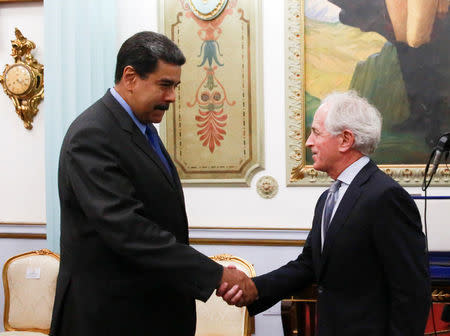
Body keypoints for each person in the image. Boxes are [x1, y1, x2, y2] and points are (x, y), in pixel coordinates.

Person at [49, 31, 256, 336]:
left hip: (148, 312)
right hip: (110, 317)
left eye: (175, 86)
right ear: (130, 77)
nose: (173, 96)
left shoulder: (140, 128)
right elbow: (127, 229)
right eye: (165, 85)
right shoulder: (93, 134)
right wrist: (216, 275)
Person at [219, 91, 431, 335]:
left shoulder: (385, 197)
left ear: (345, 140)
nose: (309, 142)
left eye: (316, 132)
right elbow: (310, 264)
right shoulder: (329, 198)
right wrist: (256, 288)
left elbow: (411, 291)